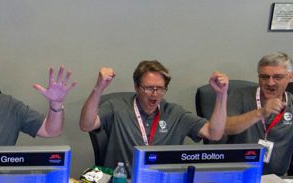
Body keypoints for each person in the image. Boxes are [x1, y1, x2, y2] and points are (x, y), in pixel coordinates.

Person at [78, 60, 228, 171]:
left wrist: (221, 96)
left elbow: (214, 133)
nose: (155, 94)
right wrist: (99, 88)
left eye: (160, 89)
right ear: (136, 87)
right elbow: (86, 125)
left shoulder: (175, 113)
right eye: (149, 88)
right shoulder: (116, 107)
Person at [224, 52, 293, 176]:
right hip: (237, 174)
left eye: (277, 77)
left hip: (277, 178)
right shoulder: (240, 96)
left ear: (290, 77)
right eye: (264, 77)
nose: (270, 83)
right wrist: (261, 112)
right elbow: (226, 128)